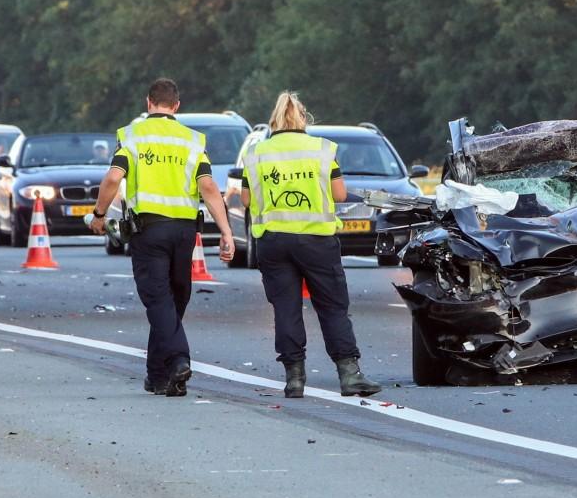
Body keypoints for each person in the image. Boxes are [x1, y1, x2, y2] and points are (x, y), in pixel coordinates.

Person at [88, 78, 234, 396]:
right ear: (176, 106)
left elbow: (114, 177)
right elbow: (208, 187)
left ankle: (179, 359)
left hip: (150, 230)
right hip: (184, 232)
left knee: (158, 299)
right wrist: (226, 230)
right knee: (173, 299)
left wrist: (99, 215)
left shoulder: (132, 136)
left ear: (148, 102)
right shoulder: (192, 140)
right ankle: (159, 376)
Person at [240, 91, 380, 398]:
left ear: (274, 120)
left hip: (274, 242)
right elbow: (340, 194)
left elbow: (247, 199)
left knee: (286, 310)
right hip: (317, 240)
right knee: (332, 307)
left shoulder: (257, 153)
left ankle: (294, 379)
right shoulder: (321, 150)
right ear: (303, 118)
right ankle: (350, 375)